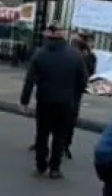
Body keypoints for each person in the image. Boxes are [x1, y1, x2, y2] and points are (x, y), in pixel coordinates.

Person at [19, 23, 88, 179]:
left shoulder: (39, 54)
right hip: (66, 103)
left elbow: (29, 80)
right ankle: (55, 168)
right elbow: (83, 81)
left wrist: (24, 101)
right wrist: (73, 95)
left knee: (42, 134)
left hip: (45, 101)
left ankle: (40, 165)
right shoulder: (75, 55)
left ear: (47, 37)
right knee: (60, 136)